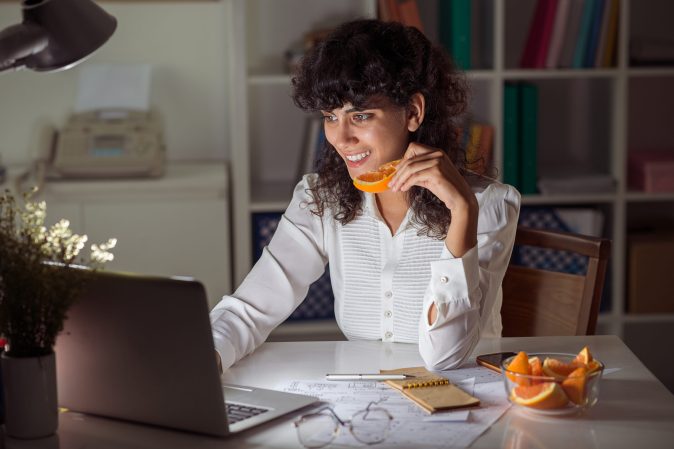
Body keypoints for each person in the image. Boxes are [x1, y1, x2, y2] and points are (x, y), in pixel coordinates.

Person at [210, 19, 520, 372]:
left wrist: (462, 211)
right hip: (366, 402)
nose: (341, 138)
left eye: (360, 116)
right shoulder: (320, 197)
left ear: (413, 112)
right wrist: (204, 360)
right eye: (331, 116)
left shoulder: (489, 204)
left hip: (468, 402)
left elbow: (445, 356)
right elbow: (251, 309)